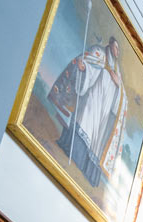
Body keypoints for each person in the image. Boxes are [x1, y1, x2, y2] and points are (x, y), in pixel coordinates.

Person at [47, 37, 125, 188]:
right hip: (90, 102)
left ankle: (84, 167)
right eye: (116, 48)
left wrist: (118, 85)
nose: (117, 52)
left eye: (119, 50)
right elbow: (89, 67)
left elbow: (121, 100)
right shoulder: (98, 53)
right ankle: (69, 149)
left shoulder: (118, 73)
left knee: (94, 139)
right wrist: (84, 68)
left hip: (102, 113)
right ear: (109, 45)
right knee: (83, 124)